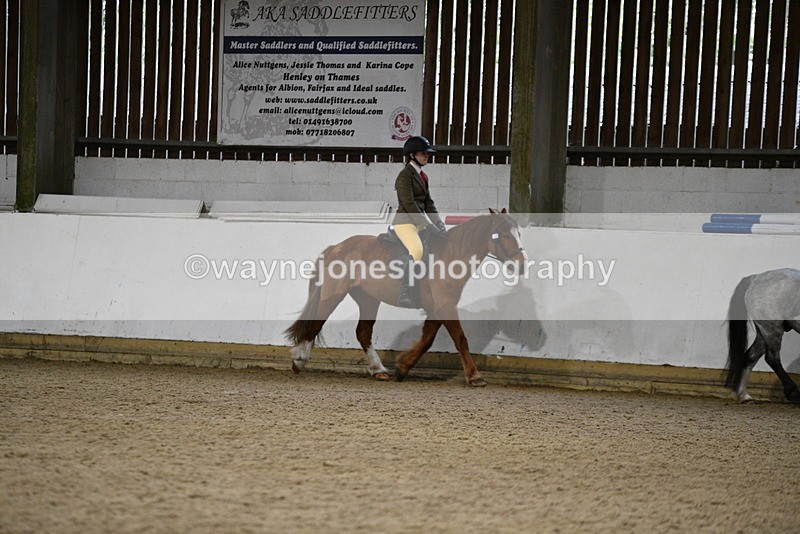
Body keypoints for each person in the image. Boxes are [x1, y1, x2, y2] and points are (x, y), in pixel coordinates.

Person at [392, 136, 447, 307]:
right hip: (405, 222)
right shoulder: (404, 176)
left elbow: (428, 203)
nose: (426, 156)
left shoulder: (423, 176)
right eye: (423, 154)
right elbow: (409, 204)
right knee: (417, 251)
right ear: (412, 155)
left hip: (419, 222)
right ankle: (405, 292)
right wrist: (427, 224)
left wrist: (438, 222)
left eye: (427, 154)